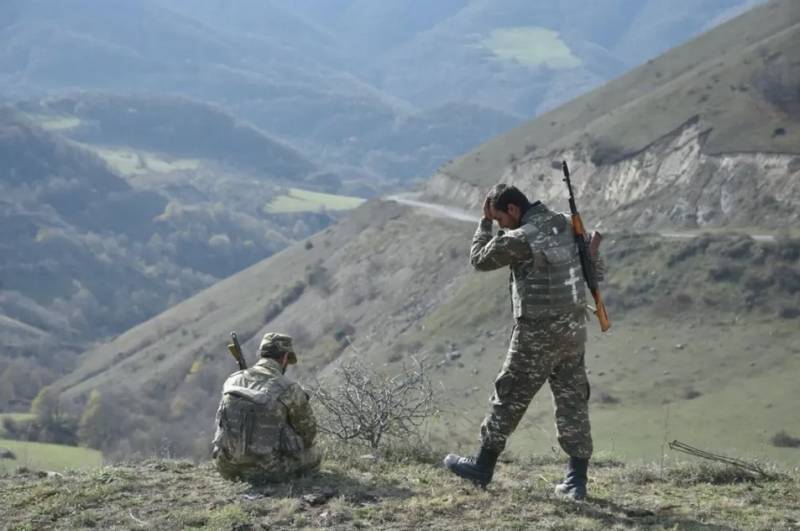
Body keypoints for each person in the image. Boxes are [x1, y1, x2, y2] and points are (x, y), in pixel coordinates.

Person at [444, 184, 594, 500]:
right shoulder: (564, 223)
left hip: (537, 334)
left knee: (508, 396)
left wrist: (485, 222)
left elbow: (479, 259)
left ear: (513, 210)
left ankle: (482, 467)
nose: (503, 226)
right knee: (573, 402)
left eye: (502, 219)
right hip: (573, 329)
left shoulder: (522, 237)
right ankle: (576, 480)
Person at [212, 332, 320, 483]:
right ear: (285, 357)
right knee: (314, 454)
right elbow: (309, 432)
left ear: (261, 354)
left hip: (226, 468)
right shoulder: (288, 388)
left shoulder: (232, 380)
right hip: (268, 472)